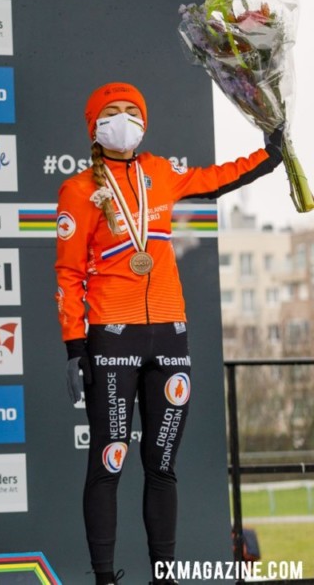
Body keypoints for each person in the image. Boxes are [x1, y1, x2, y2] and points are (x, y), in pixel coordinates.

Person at [54, 82, 282, 585]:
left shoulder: (161, 172)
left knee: (161, 464)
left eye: (131, 112)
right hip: (112, 339)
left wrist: (271, 155)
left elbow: (216, 178)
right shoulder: (76, 190)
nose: (122, 121)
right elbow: (68, 276)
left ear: (145, 122)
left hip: (170, 336)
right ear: (93, 125)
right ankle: (104, 578)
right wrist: (75, 346)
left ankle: (165, 576)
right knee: (109, 460)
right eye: (110, 113)